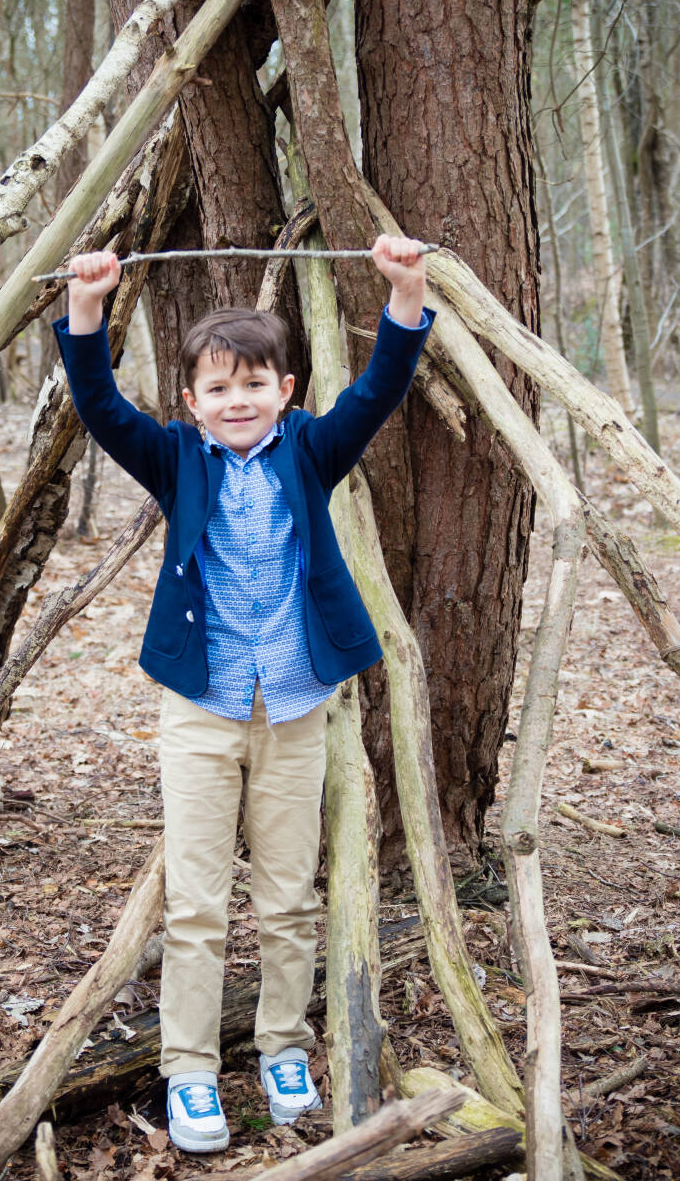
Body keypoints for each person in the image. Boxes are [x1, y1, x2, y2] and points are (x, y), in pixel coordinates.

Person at [53, 235, 432, 1153]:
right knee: (196, 902)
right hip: (200, 708)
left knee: (290, 893)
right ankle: (188, 1070)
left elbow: (379, 390)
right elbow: (100, 407)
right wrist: (89, 311)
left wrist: (406, 293)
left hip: (296, 704)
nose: (237, 401)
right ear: (191, 403)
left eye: (254, 385)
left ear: (286, 392)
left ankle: (282, 1046)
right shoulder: (178, 459)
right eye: (218, 389)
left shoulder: (309, 451)